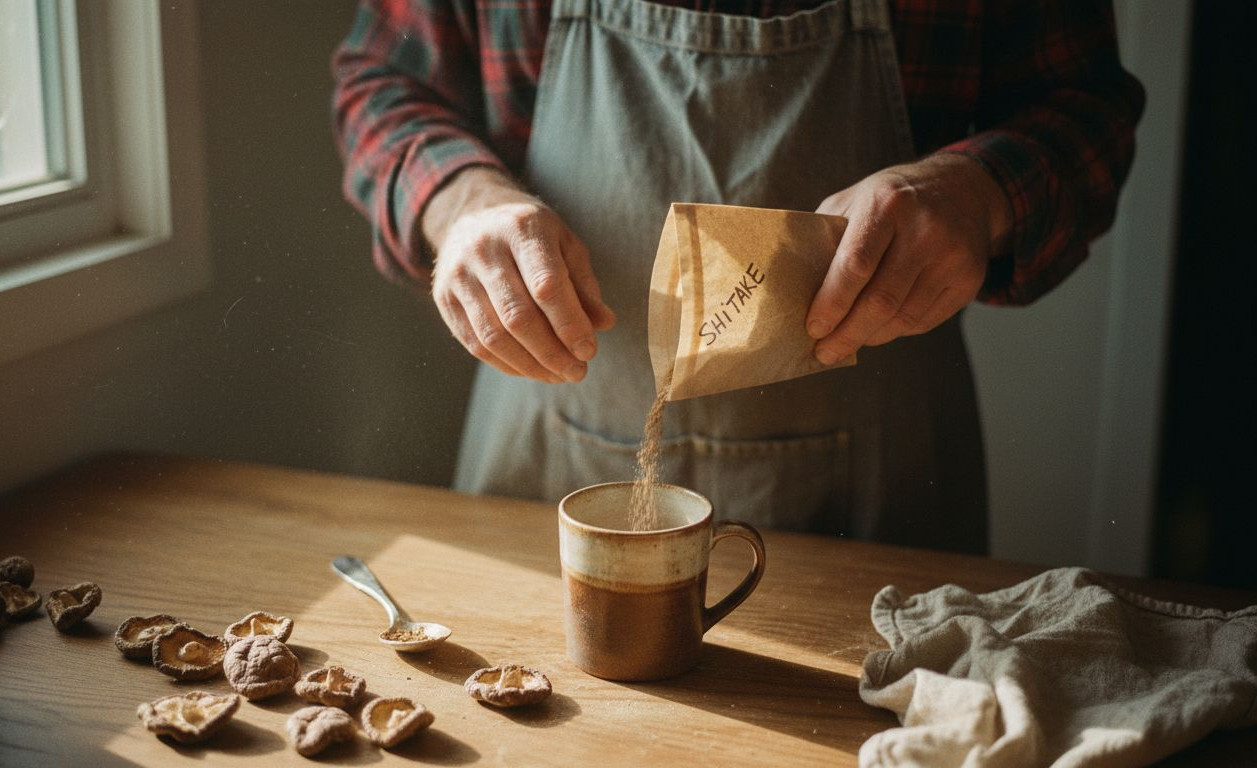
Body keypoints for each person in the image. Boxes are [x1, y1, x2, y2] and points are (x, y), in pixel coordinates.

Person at [332, 0, 1144, 553]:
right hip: (545, 469)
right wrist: (459, 202)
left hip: (879, 500)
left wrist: (982, 190)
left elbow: (1088, 108)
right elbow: (383, 80)